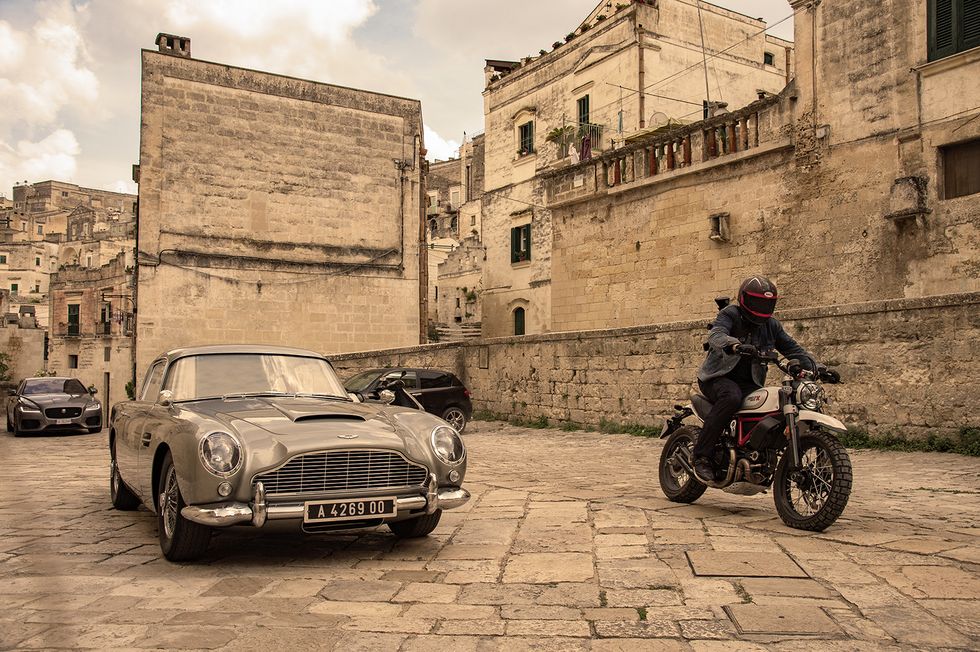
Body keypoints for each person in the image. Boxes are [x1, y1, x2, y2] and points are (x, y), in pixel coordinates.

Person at [693, 276, 816, 483]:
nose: (762, 307)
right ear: (744, 298)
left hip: (749, 383)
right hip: (717, 378)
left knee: (774, 400)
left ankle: (753, 452)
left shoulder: (771, 325)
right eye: (758, 301)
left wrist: (816, 366)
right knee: (731, 397)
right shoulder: (730, 314)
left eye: (766, 303)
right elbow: (717, 334)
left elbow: (792, 348)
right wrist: (734, 345)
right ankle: (701, 457)